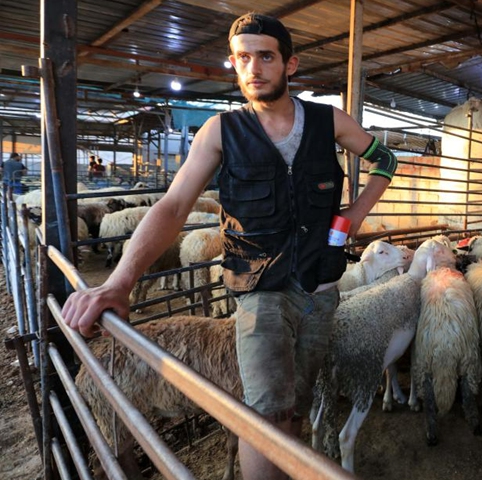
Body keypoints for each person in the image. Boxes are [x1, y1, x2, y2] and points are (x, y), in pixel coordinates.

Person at [62, 12, 397, 480]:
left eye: (265, 56)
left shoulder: (329, 121)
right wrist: (118, 283)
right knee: (264, 418)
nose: (254, 68)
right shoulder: (221, 132)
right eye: (243, 58)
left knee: (294, 410)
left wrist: (355, 215)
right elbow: (175, 204)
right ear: (234, 65)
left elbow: (386, 159)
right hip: (259, 293)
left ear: (290, 64)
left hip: (320, 291)